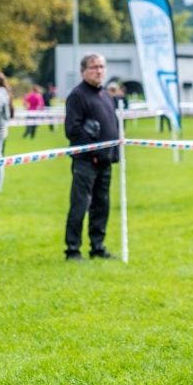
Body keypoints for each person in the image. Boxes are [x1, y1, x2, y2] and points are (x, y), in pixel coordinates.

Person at [64, 54, 119, 260]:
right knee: (80, 205)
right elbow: (72, 130)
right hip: (86, 162)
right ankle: (72, 249)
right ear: (83, 71)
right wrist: (92, 146)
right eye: (94, 67)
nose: (98, 71)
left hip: (105, 162)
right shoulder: (77, 95)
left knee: (101, 206)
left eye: (101, 66)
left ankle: (97, 247)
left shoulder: (105, 94)